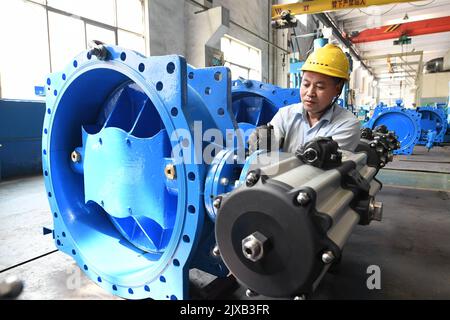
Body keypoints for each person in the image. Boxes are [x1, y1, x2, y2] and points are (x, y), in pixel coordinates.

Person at [249, 43, 361, 154]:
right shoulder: (285, 114)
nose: (310, 93)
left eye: (320, 87)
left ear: (338, 89)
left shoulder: (348, 124)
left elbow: (325, 166)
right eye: (306, 84)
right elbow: (268, 150)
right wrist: (262, 142)